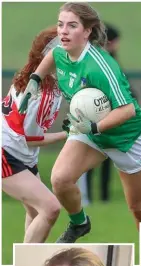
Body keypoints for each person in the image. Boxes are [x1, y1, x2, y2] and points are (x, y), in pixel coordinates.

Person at [19, 2, 141, 244]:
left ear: (87, 31)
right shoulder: (60, 51)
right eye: (60, 25)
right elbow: (50, 58)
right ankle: (80, 223)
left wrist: (95, 128)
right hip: (89, 131)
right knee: (60, 179)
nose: (63, 31)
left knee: (140, 209)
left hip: (126, 137)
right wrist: (35, 80)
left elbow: (128, 110)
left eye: (72, 25)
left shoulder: (100, 65)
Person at [2, 26, 68, 243]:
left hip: (20, 153)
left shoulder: (41, 78)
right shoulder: (40, 93)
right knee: (50, 208)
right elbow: (29, 139)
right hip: (7, 152)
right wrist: (66, 134)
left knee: (36, 212)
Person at [80, 23, 121, 203]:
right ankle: (88, 198)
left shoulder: (111, 60)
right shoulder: (97, 62)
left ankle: (103, 198)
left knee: (105, 159)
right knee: (89, 159)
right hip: (94, 117)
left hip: (109, 120)